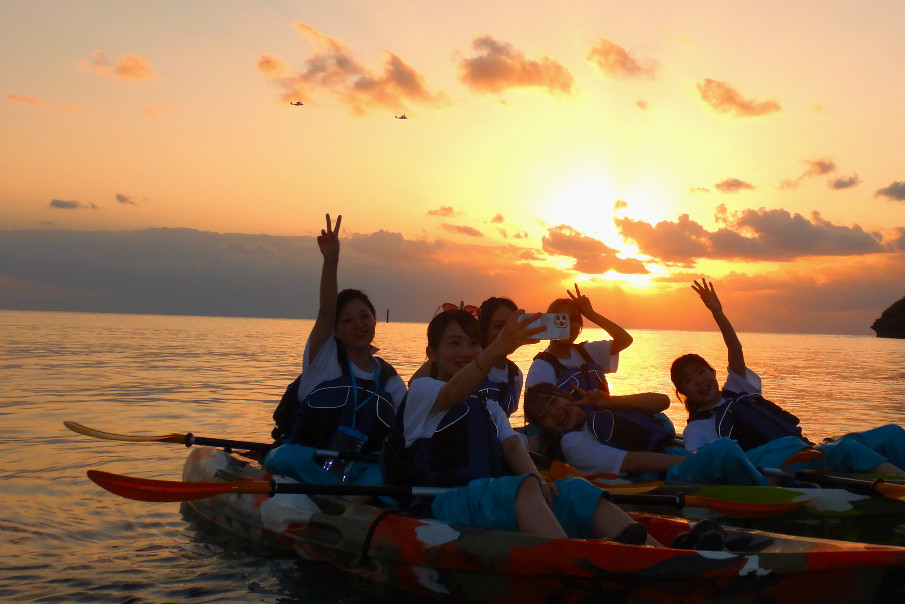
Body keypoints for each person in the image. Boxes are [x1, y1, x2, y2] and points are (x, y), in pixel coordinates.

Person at [388, 307, 660, 545]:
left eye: (473, 343)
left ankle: (656, 555)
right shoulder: (423, 390)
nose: (466, 352)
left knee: (575, 489)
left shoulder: (487, 405)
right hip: (443, 502)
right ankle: (569, 561)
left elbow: (511, 445)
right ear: (432, 354)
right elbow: (452, 394)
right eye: (454, 343)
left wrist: (541, 482)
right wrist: (500, 347)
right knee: (523, 486)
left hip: (489, 501)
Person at [673, 279, 905, 477]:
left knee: (890, 433)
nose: (699, 381)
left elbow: (734, 348)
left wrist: (718, 313)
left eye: (701, 371)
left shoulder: (738, 389)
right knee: (847, 448)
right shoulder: (697, 430)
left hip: (809, 451)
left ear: (713, 372)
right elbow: (713, 465)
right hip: (783, 469)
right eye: (689, 380)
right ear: (683, 392)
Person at [263, 214, 407, 488]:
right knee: (292, 456)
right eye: (347, 320)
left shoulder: (389, 378)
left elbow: (404, 430)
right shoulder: (325, 361)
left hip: (356, 471)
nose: (358, 325)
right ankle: (331, 496)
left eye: (364, 316)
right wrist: (331, 262)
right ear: (336, 330)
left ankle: (349, 503)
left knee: (386, 470)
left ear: (375, 320)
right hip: (305, 464)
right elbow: (326, 312)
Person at [522, 382, 768, 487]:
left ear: (567, 397)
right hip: (666, 475)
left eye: (554, 402)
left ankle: (774, 481)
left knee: (785, 445)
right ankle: (772, 495)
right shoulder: (573, 442)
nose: (554, 413)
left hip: (679, 456)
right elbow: (633, 461)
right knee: (723, 450)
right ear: (546, 428)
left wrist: (611, 401)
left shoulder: (600, 412)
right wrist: (694, 459)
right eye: (544, 416)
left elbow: (661, 401)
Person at [524, 284, 634, 394]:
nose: (567, 325)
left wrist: (590, 313)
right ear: (548, 323)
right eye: (560, 320)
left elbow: (625, 340)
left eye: (573, 319)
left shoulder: (588, 352)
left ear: (580, 325)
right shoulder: (541, 367)